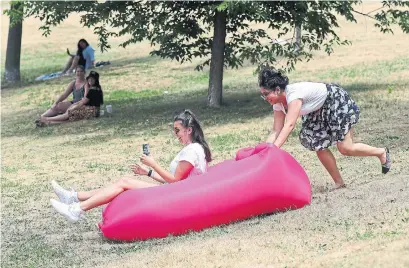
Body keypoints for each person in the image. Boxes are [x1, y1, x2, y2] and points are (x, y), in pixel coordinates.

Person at [50, 110, 212, 222]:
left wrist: (153, 164)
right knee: (122, 183)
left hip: (179, 196)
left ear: (189, 130)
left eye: (177, 131)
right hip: (177, 191)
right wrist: (147, 172)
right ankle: (73, 198)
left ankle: (77, 209)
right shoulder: (192, 149)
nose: (175, 134)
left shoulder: (192, 151)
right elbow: (173, 180)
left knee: (124, 182)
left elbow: (175, 181)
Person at [258, 66, 391, 189]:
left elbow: (289, 125)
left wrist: (274, 149)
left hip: (333, 101)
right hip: (316, 110)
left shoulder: (293, 95)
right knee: (318, 144)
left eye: (266, 94)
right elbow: (276, 130)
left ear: (277, 89)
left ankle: (381, 152)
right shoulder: (277, 104)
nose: (264, 98)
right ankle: (339, 183)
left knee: (345, 148)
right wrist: (264, 151)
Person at [37, 71, 103, 126]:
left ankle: (46, 119)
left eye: (93, 79)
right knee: (69, 118)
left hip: (91, 111)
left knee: (69, 114)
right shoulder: (98, 88)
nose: (90, 80)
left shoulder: (92, 90)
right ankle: (48, 122)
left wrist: (73, 107)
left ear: (96, 80)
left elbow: (83, 102)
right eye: (90, 78)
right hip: (94, 111)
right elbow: (84, 101)